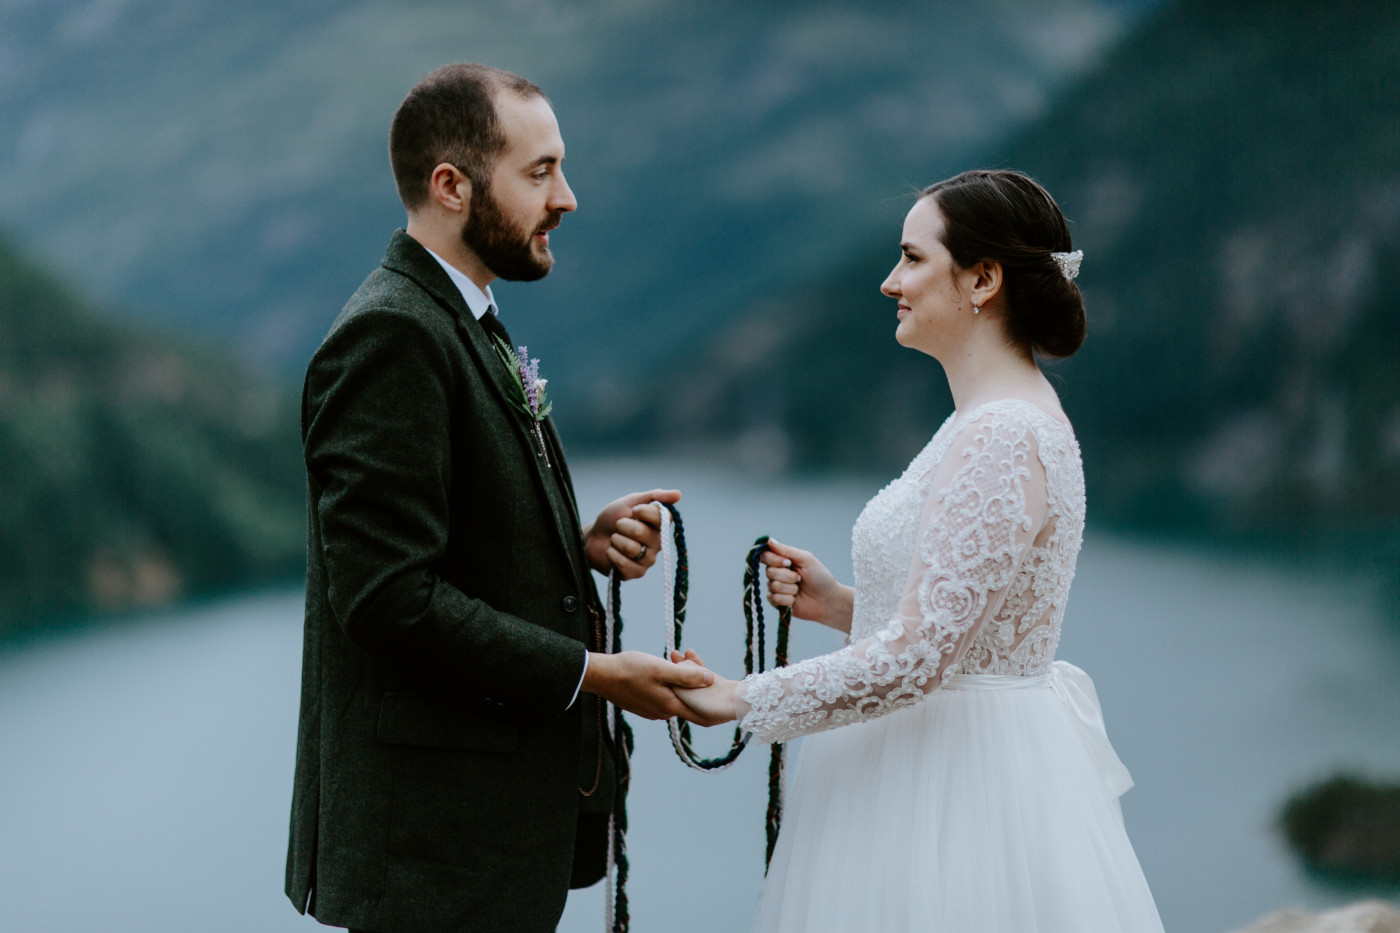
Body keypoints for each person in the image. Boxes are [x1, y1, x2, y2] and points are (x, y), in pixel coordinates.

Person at [284, 63, 714, 933]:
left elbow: (448, 534)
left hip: (476, 848)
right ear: (452, 185)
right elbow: (388, 599)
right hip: (433, 860)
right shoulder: (391, 333)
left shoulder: (455, 315)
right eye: (541, 171)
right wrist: (599, 674)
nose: (569, 198)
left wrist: (572, 541)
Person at [675, 170, 1165, 931]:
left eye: (911, 258)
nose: (888, 281)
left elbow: (918, 660)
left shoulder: (1001, 432)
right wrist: (843, 605)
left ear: (983, 278)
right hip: (958, 760)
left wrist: (740, 697)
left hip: (955, 790)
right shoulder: (994, 416)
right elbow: (964, 624)